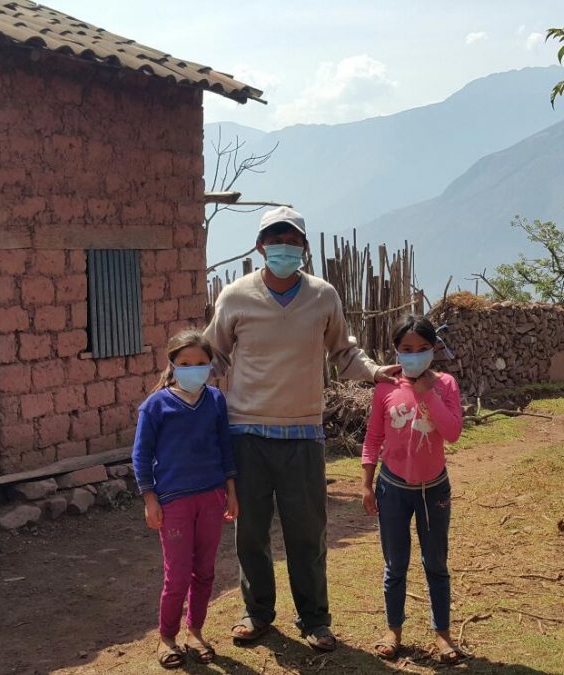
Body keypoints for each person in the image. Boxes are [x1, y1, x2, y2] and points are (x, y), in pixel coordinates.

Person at [204, 206, 400, 651]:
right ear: (260, 247)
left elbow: (343, 353)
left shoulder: (323, 296)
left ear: (305, 248)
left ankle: (315, 619)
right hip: (247, 434)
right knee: (250, 531)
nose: (285, 248)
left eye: (293, 241)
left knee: (306, 532)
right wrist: (184, 383)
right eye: (276, 240)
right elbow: (214, 353)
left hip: (302, 435)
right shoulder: (235, 297)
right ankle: (257, 614)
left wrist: (373, 372)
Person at [361, 315, 466, 664]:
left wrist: (428, 394)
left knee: (435, 563)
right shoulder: (385, 388)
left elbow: (452, 433)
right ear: (396, 351)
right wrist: (366, 484)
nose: (415, 355)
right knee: (396, 565)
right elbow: (374, 437)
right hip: (392, 488)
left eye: (422, 349)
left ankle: (442, 636)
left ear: (434, 349)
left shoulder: (446, 384)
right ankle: (393, 631)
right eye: (407, 349)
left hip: (434, 490)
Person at [131, 330, 240, 669]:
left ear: (210, 365)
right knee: (177, 574)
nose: (194, 369)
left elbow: (225, 448)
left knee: (205, 571)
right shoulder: (155, 406)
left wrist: (231, 493)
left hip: (211, 496)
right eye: (185, 363)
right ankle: (167, 637)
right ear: (172, 365)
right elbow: (141, 455)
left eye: (201, 363)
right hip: (174, 501)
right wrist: (150, 499)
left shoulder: (216, 400)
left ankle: (195, 631)